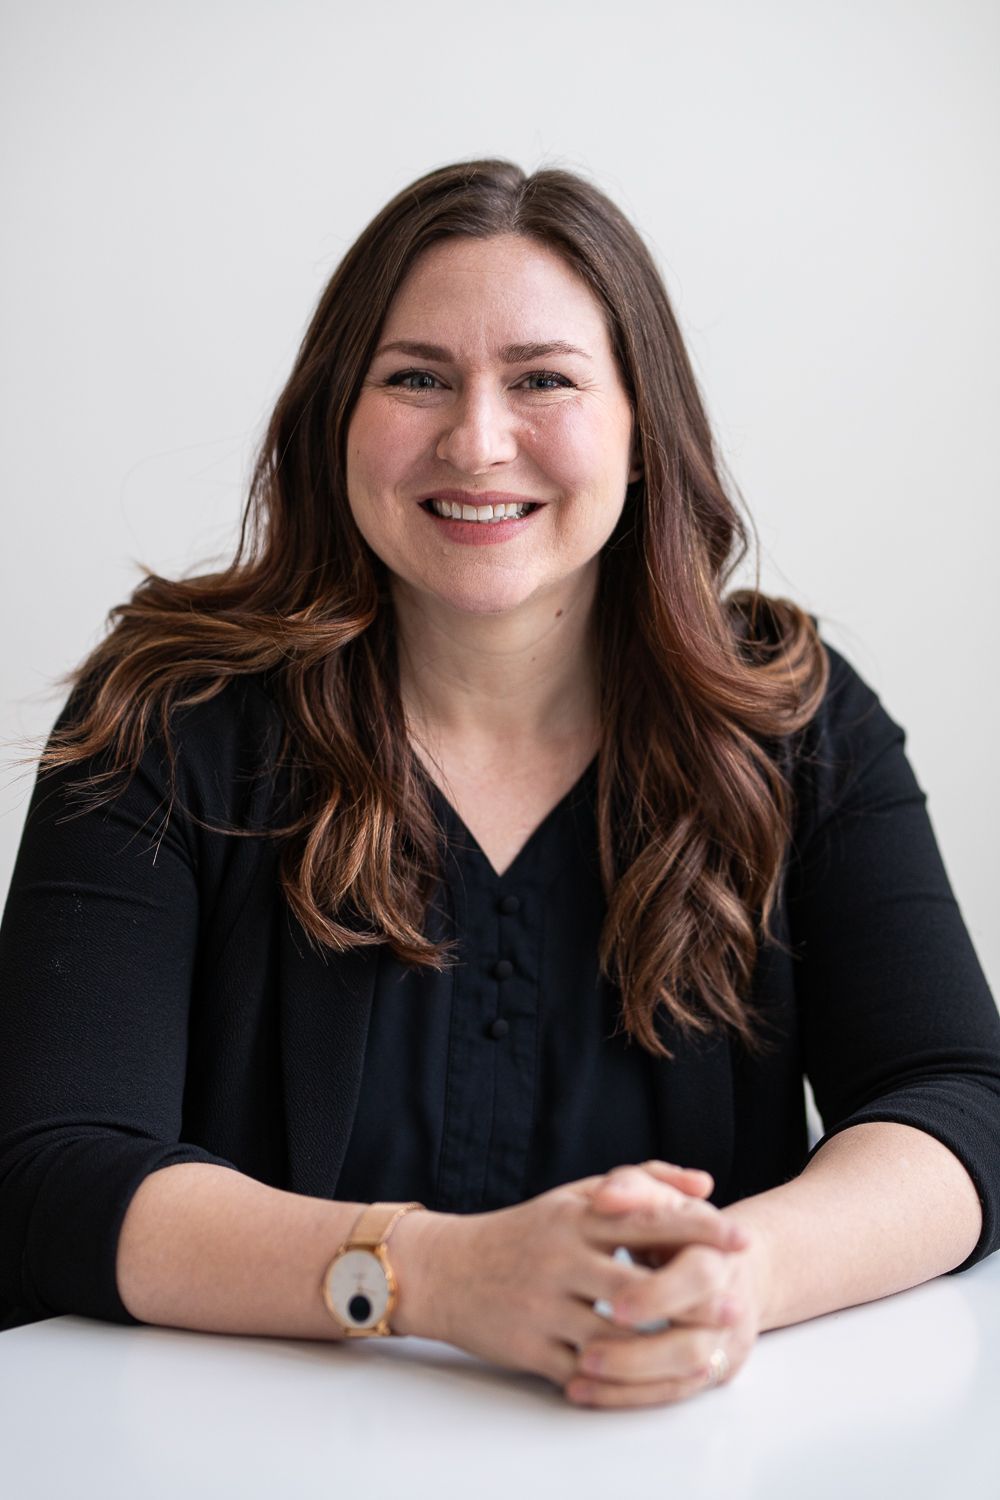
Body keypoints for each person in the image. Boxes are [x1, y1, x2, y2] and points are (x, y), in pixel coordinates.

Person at [1, 158, 998, 1411]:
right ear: (334, 420)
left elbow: (960, 1100)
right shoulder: (166, 713)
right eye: (415, 377)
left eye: (545, 380)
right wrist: (429, 1277)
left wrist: (736, 1278)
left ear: (645, 432)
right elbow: (48, 1169)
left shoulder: (793, 718)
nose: (476, 439)